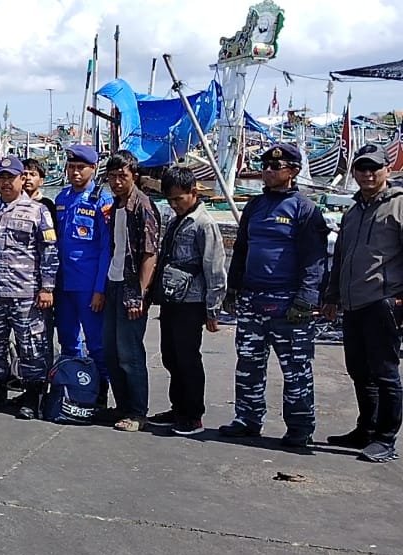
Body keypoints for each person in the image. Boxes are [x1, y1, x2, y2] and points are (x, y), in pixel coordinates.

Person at [220, 144, 329, 448]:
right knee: (248, 364)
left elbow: (315, 260)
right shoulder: (255, 206)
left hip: (288, 303)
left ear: (293, 171)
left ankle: (299, 427)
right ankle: (247, 419)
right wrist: (233, 288)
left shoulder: (305, 209)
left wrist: (306, 300)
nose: (268, 171)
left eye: (275, 167)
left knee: (296, 371)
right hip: (252, 300)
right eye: (265, 166)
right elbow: (241, 249)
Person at [322, 144, 403, 462]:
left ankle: (385, 439)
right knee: (359, 370)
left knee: (385, 372)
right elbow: (341, 257)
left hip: (384, 301)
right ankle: (366, 429)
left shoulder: (398, 206)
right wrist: (332, 296)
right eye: (362, 168)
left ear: (387, 170)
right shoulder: (353, 211)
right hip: (353, 303)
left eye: (374, 168)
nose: (368, 174)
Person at [0, 157, 58, 419]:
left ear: (22, 179)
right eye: (1, 177)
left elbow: (49, 251)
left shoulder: (38, 211)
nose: (6, 183)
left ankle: (32, 398)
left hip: (25, 294)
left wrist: (47, 287)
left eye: (11, 177)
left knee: (31, 347)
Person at [145, 167, 226, 436]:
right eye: (170, 200)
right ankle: (177, 407)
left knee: (188, 358)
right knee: (170, 356)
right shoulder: (176, 219)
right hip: (172, 299)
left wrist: (213, 310)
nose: (174, 204)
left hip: (192, 302)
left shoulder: (204, 224)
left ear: (193, 193)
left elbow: (214, 268)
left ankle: (192, 415)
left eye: (179, 199)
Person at [102, 150, 161, 432]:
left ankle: (138, 412)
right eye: (112, 177)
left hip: (132, 287)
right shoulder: (116, 205)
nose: (116, 182)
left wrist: (140, 293)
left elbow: (150, 254)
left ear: (133, 176)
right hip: (113, 282)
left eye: (122, 176)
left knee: (130, 353)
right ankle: (122, 405)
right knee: (111, 351)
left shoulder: (143, 206)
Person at [52, 145, 112, 408]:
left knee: (96, 343)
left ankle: (100, 391)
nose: (75, 172)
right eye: (71, 167)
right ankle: (75, 387)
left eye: (81, 168)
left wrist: (100, 289)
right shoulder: (62, 198)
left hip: (88, 284)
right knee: (67, 339)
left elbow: (106, 248)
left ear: (93, 169)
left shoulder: (101, 201)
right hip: (64, 283)